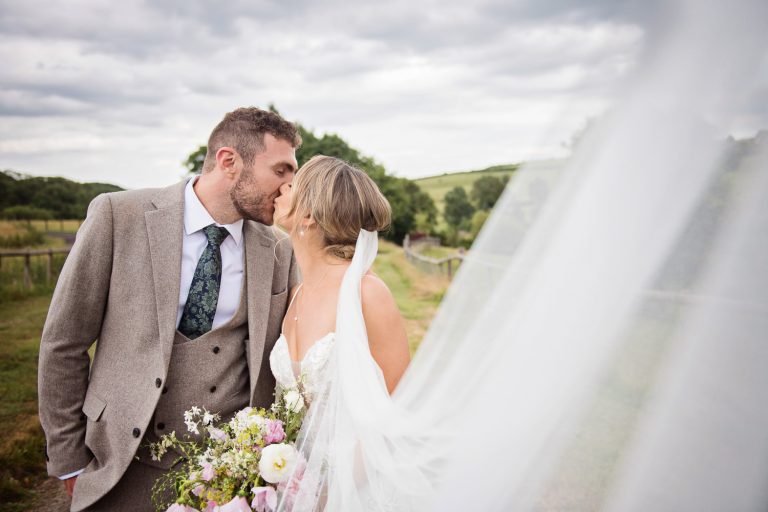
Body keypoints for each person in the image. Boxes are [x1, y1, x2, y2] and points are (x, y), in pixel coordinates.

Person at [38, 107, 302, 512]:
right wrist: (69, 460)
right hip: (119, 464)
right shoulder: (118, 216)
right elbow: (64, 343)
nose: (290, 187)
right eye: (281, 170)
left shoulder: (280, 248)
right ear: (228, 161)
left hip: (227, 478)